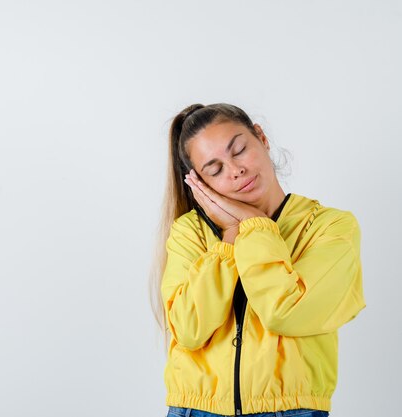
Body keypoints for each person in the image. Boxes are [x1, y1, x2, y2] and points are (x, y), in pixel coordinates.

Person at [149, 103, 366, 417]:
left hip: (291, 410)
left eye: (238, 150)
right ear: (201, 184)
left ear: (261, 138)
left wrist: (254, 224)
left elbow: (286, 311)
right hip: (195, 410)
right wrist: (230, 237)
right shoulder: (190, 232)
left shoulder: (330, 227)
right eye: (215, 169)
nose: (235, 170)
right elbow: (189, 329)